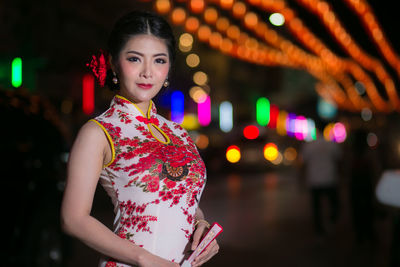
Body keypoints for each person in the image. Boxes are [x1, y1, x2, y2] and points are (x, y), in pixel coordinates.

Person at [60, 10, 219, 267]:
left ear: (169, 68)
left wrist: (201, 226)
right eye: (135, 59)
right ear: (113, 63)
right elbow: (73, 219)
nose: (148, 72)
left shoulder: (178, 133)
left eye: (159, 61)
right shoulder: (99, 132)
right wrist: (146, 260)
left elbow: (182, 201)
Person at [299, 125, 342, 236]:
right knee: (334, 204)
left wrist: (301, 180)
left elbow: (303, 163)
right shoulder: (331, 144)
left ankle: (319, 230)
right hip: (330, 179)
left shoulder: (309, 146)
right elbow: (339, 159)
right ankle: (331, 222)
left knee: (316, 208)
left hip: (314, 180)